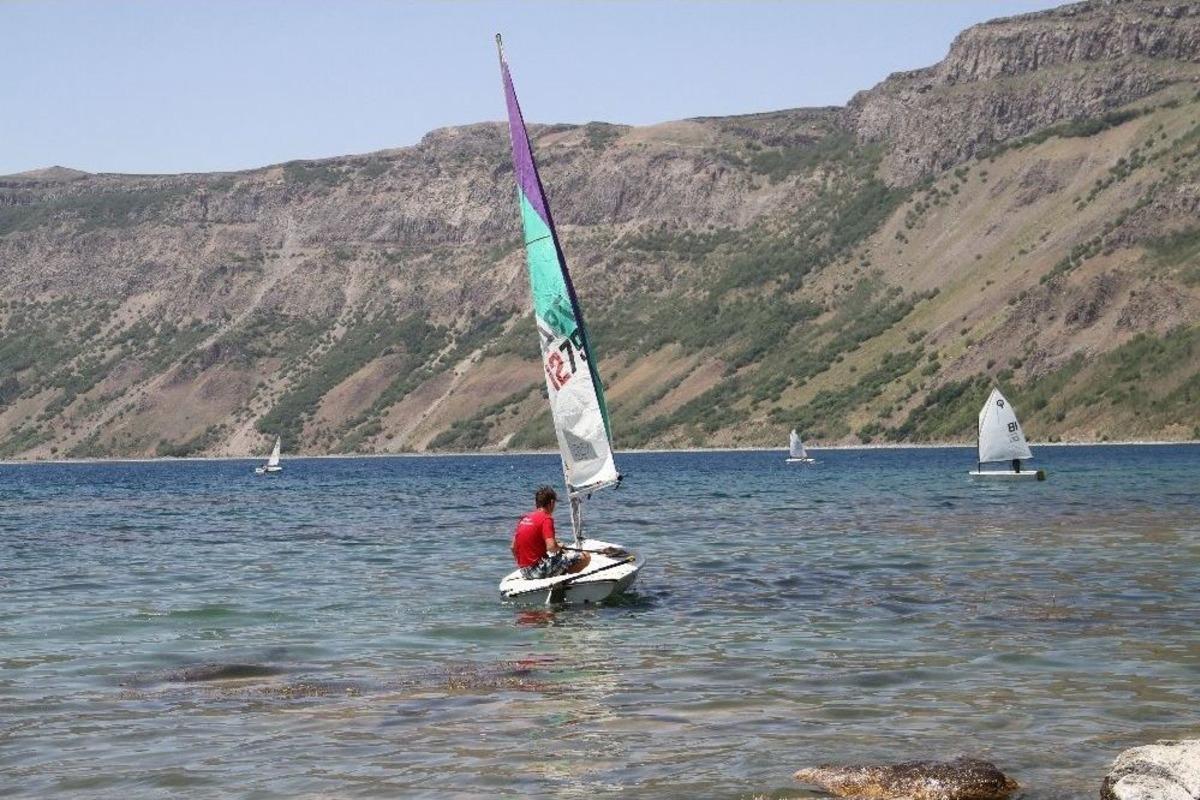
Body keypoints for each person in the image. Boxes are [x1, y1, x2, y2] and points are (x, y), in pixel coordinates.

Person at [511, 485, 589, 580]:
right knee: (585, 557)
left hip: (524, 571)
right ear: (551, 503)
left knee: (560, 557)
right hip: (539, 571)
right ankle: (565, 584)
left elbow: (513, 547)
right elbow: (551, 547)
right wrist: (558, 546)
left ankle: (557, 574)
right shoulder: (546, 518)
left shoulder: (524, 518)